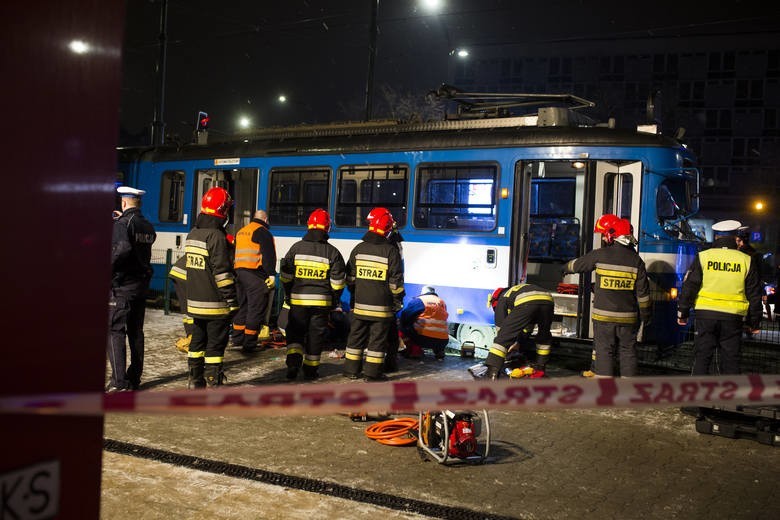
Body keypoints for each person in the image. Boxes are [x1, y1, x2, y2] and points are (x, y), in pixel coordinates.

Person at [563, 215, 651, 377]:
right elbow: (643, 295)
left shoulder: (600, 255)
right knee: (628, 351)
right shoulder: (637, 261)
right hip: (628, 319)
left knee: (604, 351)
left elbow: (576, 265)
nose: (603, 237)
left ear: (613, 236)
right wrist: (646, 316)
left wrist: (564, 267)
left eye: (605, 235)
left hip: (603, 318)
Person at [677, 219, 763, 375]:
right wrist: (754, 322)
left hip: (705, 315)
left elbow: (690, 286)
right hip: (733, 317)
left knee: (702, 356)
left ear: (716, 237)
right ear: (735, 237)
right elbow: (754, 294)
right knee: (731, 359)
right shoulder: (746, 260)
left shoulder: (704, 256)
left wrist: (682, 312)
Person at [279, 209, 346, 380]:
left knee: (295, 333)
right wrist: (334, 301)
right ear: (327, 228)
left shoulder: (295, 248)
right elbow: (338, 284)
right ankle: (310, 371)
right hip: (321, 305)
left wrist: (288, 295)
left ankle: (293, 364)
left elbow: (286, 277)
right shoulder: (333, 252)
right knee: (316, 337)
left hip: (298, 301)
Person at [183, 187, 238, 387]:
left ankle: (194, 379)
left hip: (195, 303)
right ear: (222, 210)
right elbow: (222, 273)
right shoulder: (216, 236)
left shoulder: (193, 233)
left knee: (197, 342)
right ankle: (214, 380)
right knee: (215, 344)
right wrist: (232, 300)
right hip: (216, 304)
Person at [343, 207, 405, 381]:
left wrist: (356, 294)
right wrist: (397, 301)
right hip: (381, 309)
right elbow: (395, 284)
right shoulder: (390, 252)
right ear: (387, 229)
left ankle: (350, 371)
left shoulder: (358, 249)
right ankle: (371, 374)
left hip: (360, 305)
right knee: (377, 342)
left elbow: (350, 277)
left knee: (355, 339)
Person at [108, 186, 156, 392]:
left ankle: (119, 382)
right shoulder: (146, 225)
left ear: (124, 202)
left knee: (115, 330)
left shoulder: (123, 224)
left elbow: (124, 249)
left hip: (122, 286)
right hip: (141, 286)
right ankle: (134, 377)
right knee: (136, 332)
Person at [469, 284, 553, 380]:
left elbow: (502, 332)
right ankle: (540, 368)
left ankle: (491, 374)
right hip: (548, 299)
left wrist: (508, 346)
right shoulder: (514, 293)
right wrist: (518, 342)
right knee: (544, 336)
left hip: (526, 300)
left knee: (502, 339)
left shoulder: (501, 299)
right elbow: (527, 329)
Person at [231, 210, 277, 353]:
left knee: (242, 306)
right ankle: (249, 343)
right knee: (255, 308)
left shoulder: (241, 231)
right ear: (266, 219)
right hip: (254, 275)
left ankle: (237, 338)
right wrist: (271, 274)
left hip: (239, 273)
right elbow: (268, 255)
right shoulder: (263, 232)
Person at [398, 285, 450, 361]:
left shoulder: (420, 300)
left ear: (423, 293)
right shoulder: (442, 302)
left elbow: (405, 316)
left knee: (401, 326)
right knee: (436, 331)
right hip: (443, 341)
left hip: (422, 339)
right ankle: (439, 352)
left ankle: (414, 351)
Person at [384, 221, 404, 372]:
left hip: (385, 298)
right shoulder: (396, 247)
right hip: (390, 299)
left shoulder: (389, 248)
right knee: (391, 334)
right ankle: (390, 363)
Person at [168, 254, 194, 353]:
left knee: (187, 310)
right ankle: (192, 338)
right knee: (190, 309)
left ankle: (191, 337)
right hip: (184, 274)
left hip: (180, 272)